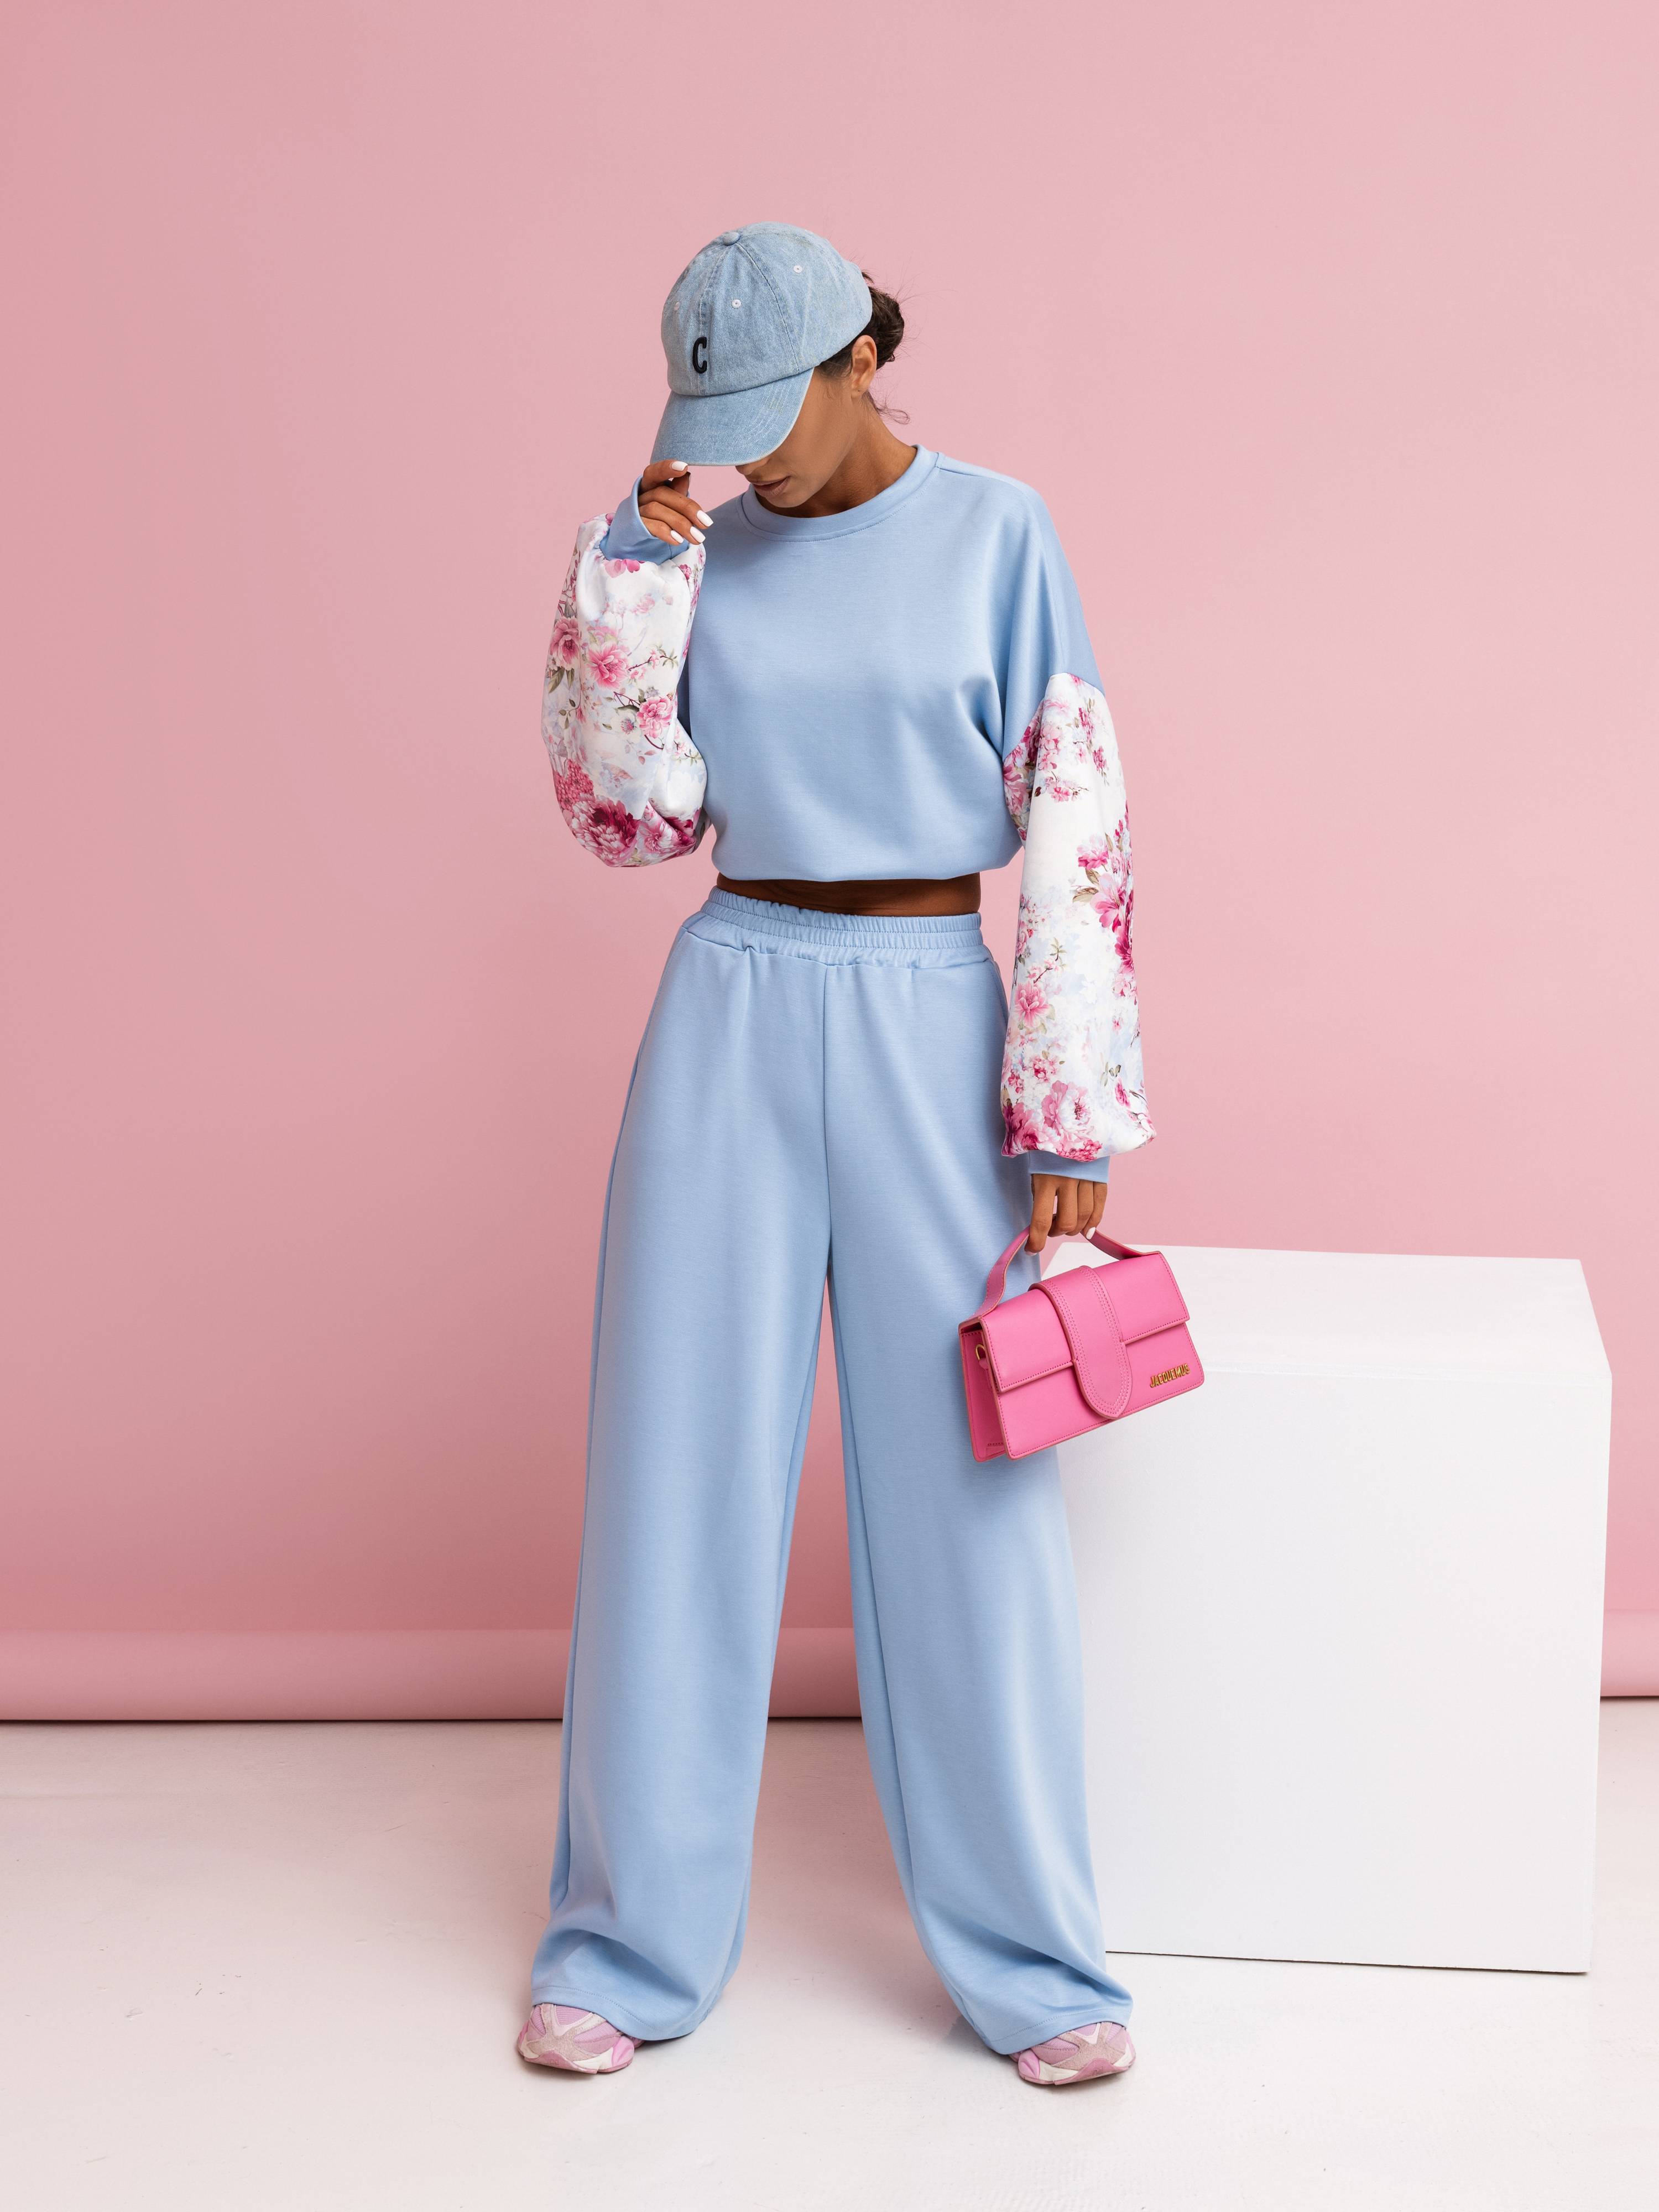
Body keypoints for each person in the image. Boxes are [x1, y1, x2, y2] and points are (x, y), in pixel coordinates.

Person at [519, 223, 1153, 2089]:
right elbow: (629, 822)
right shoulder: (699, 552)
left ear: (860, 361)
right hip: (729, 1000)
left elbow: (1076, 804)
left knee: (970, 1491)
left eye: (769, 418)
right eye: (709, 426)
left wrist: (1067, 1101)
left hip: (931, 1015)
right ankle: (625, 1945)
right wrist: (634, 588)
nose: (747, 463)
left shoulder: (1000, 533)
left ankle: (1033, 1962)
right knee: (672, 1476)